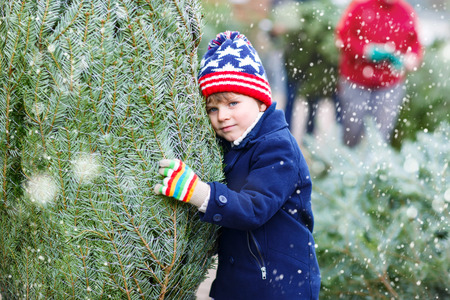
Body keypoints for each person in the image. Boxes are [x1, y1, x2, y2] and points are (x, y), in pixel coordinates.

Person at [154, 31, 320, 299]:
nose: (223, 116)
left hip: (279, 285)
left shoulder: (277, 147)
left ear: (260, 101)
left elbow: (255, 208)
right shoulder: (234, 144)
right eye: (212, 108)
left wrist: (199, 193)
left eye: (233, 103)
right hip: (240, 281)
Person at [335, 0, 423, 147]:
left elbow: (415, 45)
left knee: (381, 135)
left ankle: (374, 167)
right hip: (356, 82)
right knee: (351, 131)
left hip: (389, 85)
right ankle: (345, 164)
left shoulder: (406, 12)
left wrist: (409, 59)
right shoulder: (360, 6)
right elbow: (343, 38)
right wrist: (366, 50)